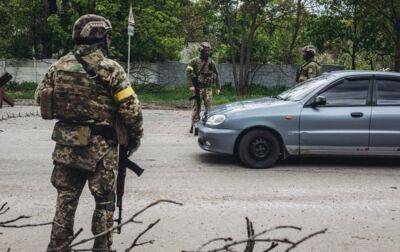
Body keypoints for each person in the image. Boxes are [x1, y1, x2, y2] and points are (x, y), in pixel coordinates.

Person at [35, 14, 143, 251]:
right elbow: (131, 110)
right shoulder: (110, 68)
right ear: (102, 38)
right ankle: (102, 247)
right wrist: (135, 138)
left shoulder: (59, 66)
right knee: (104, 203)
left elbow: (40, 98)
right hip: (100, 150)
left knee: (65, 202)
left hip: (66, 149)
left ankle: (58, 247)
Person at [186, 42, 220, 133]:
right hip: (198, 88)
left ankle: (206, 124)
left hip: (208, 88)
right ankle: (195, 125)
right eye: (206, 50)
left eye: (208, 50)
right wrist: (191, 85)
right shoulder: (194, 61)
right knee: (196, 107)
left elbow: (216, 74)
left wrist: (217, 87)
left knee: (208, 108)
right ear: (201, 51)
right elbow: (188, 73)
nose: (207, 52)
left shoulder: (211, 62)